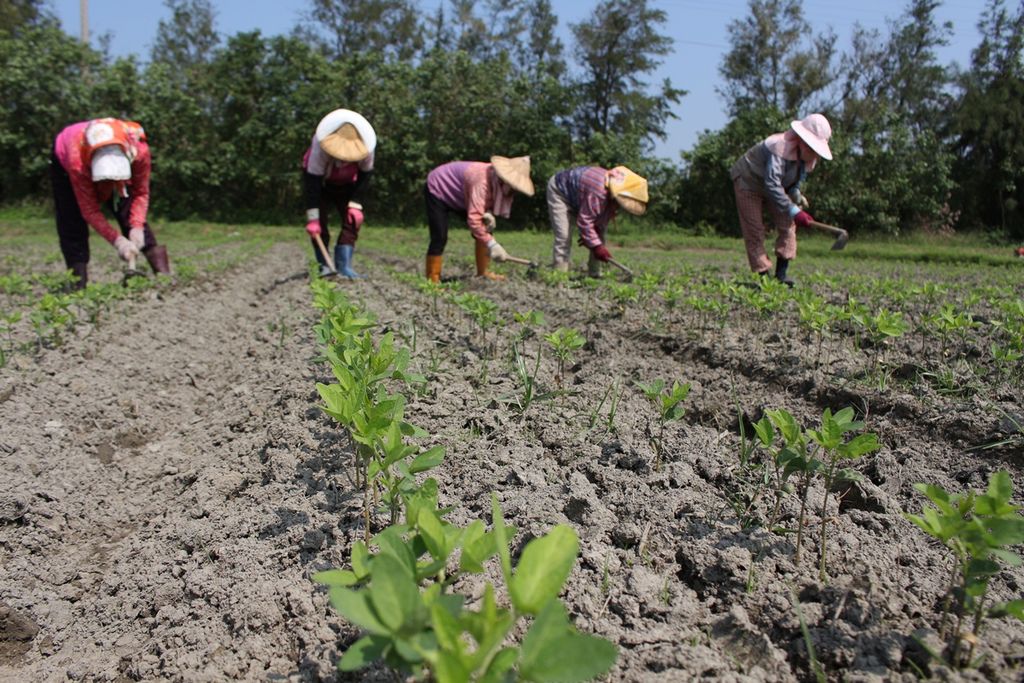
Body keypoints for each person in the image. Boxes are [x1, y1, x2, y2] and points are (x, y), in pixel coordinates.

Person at [51, 117, 169, 289]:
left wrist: (137, 226)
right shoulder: (77, 162)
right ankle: (78, 285)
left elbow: (141, 192)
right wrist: (118, 241)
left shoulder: (139, 150)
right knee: (71, 218)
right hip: (66, 159)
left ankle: (164, 276)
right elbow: (89, 210)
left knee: (128, 210)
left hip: (112, 154)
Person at [730, 113, 834, 286]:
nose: (814, 154)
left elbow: (793, 180)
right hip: (748, 181)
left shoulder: (809, 158)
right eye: (811, 148)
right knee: (755, 230)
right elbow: (772, 183)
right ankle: (764, 278)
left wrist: (796, 194)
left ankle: (781, 275)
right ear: (801, 140)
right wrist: (794, 210)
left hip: (773, 186)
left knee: (788, 225)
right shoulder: (779, 147)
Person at [424, 156, 534, 282]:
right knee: (439, 236)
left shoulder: (495, 180)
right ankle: (433, 279)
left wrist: (488, 214)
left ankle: (483, 272)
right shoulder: (481, 182)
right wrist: (493, 245)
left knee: (485, 229)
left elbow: (485, 203)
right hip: (439, 187)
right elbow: (474, 220)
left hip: (462, 194)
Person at [302, 109, 376, 278]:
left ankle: (344, 266)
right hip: (320, 183)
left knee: (352, 221)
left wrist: (356, 204)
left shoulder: (367, 148)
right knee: (319, 225)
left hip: (348, 184)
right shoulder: (319, 147)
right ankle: (325, 265)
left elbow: (365, 176)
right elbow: (312, 184)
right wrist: (313, 219)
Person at [546, 165, 648, 276]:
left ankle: (594, 273)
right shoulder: (599, 192)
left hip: (580, 195)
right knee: (564, 236)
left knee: (599, 236)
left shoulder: (610, 194)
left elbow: (599, 222)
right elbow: (585, 221)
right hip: (560, 191)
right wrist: (596, 246)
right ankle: (559, 273)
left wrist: (592, 238)